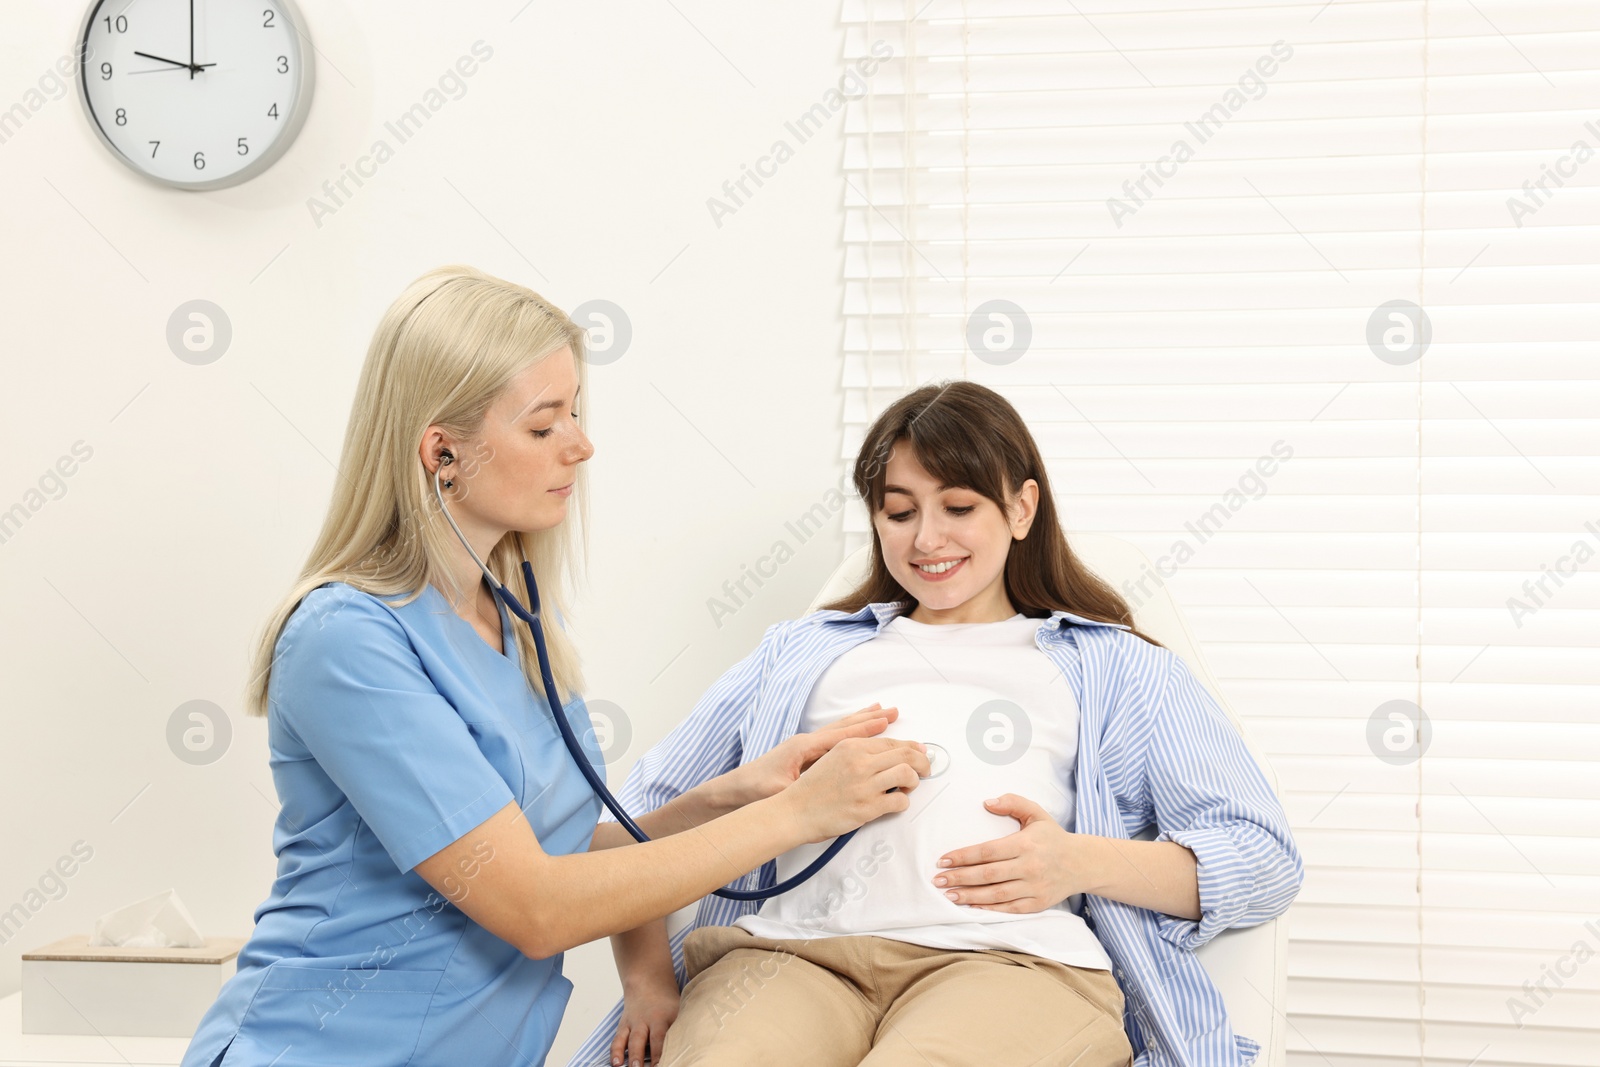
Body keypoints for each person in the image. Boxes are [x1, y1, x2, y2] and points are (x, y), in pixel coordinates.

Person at [178, 265, 929, 1067]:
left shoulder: (520, 621)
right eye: (544, 426)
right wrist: (795, 815)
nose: (582, 443)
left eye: (575, 412)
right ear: (442, 452)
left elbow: (551, 854)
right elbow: (534, 905)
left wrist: (724, 799)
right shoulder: (346, 641)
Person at [570, 381, 1304, 1067]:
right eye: (899, 511)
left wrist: (1076, 862)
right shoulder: (798, 652)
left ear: (1021, 509)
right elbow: (632, 824)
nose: (927, 538)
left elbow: (1261, 853)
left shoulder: (1118, 667)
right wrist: (645, 981)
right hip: (785, 958)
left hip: (1012, 963)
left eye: (959, 506)